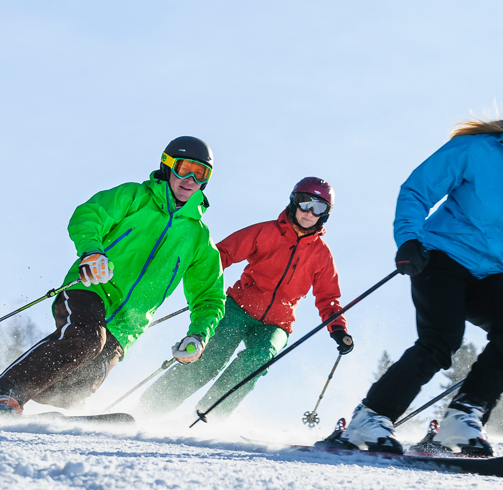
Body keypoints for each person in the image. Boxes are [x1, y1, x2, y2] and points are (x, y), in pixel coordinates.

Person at [332, 70, 503, 455]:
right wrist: (409, 240)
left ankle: (462, 419)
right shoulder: (475, 149)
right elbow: (417, 190)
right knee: (441, 339)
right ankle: (370, 418)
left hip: (490, 270)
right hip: (440, 255)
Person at [0, 136, 226, 414]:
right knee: (88, 339)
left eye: (200, 173)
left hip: (127, 325)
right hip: (92, 288)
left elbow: (209, 298)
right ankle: (2, 394)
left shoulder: (199, 239)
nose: (190, 179)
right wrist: (92, 252)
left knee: (75, 389)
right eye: (184, 169)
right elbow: (89, 215)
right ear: (167, 166)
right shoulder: (134, 197)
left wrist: (199, 335)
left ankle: (44, 412)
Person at [138, 177, 354, 420]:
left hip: (277, 323)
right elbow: (222, 253)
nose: (309, 212)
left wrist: (338, 330)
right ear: (294, 202)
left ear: (325, 214)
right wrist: (202, 281)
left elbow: (328, 298)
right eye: (305, 203)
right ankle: (151, 407)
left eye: (319, 207)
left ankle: (212, 413)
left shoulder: (321, 255)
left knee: (260, 358)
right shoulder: (267, 232)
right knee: (210, 357)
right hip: (239, 307)